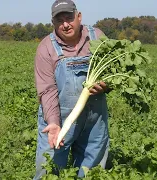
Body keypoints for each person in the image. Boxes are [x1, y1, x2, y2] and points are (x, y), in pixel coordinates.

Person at [33, 0, 110, 179]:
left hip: (94, 119)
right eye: (60, 20)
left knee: (92, 172)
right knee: (48, 169)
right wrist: (53, 122)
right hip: (59, 118)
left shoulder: (97, 37)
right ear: (53, 23)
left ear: (79, 16)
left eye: (69, 18)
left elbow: (111, 72)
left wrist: (106, 85)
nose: (65, 24)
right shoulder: (46, 48)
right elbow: (47, 90)